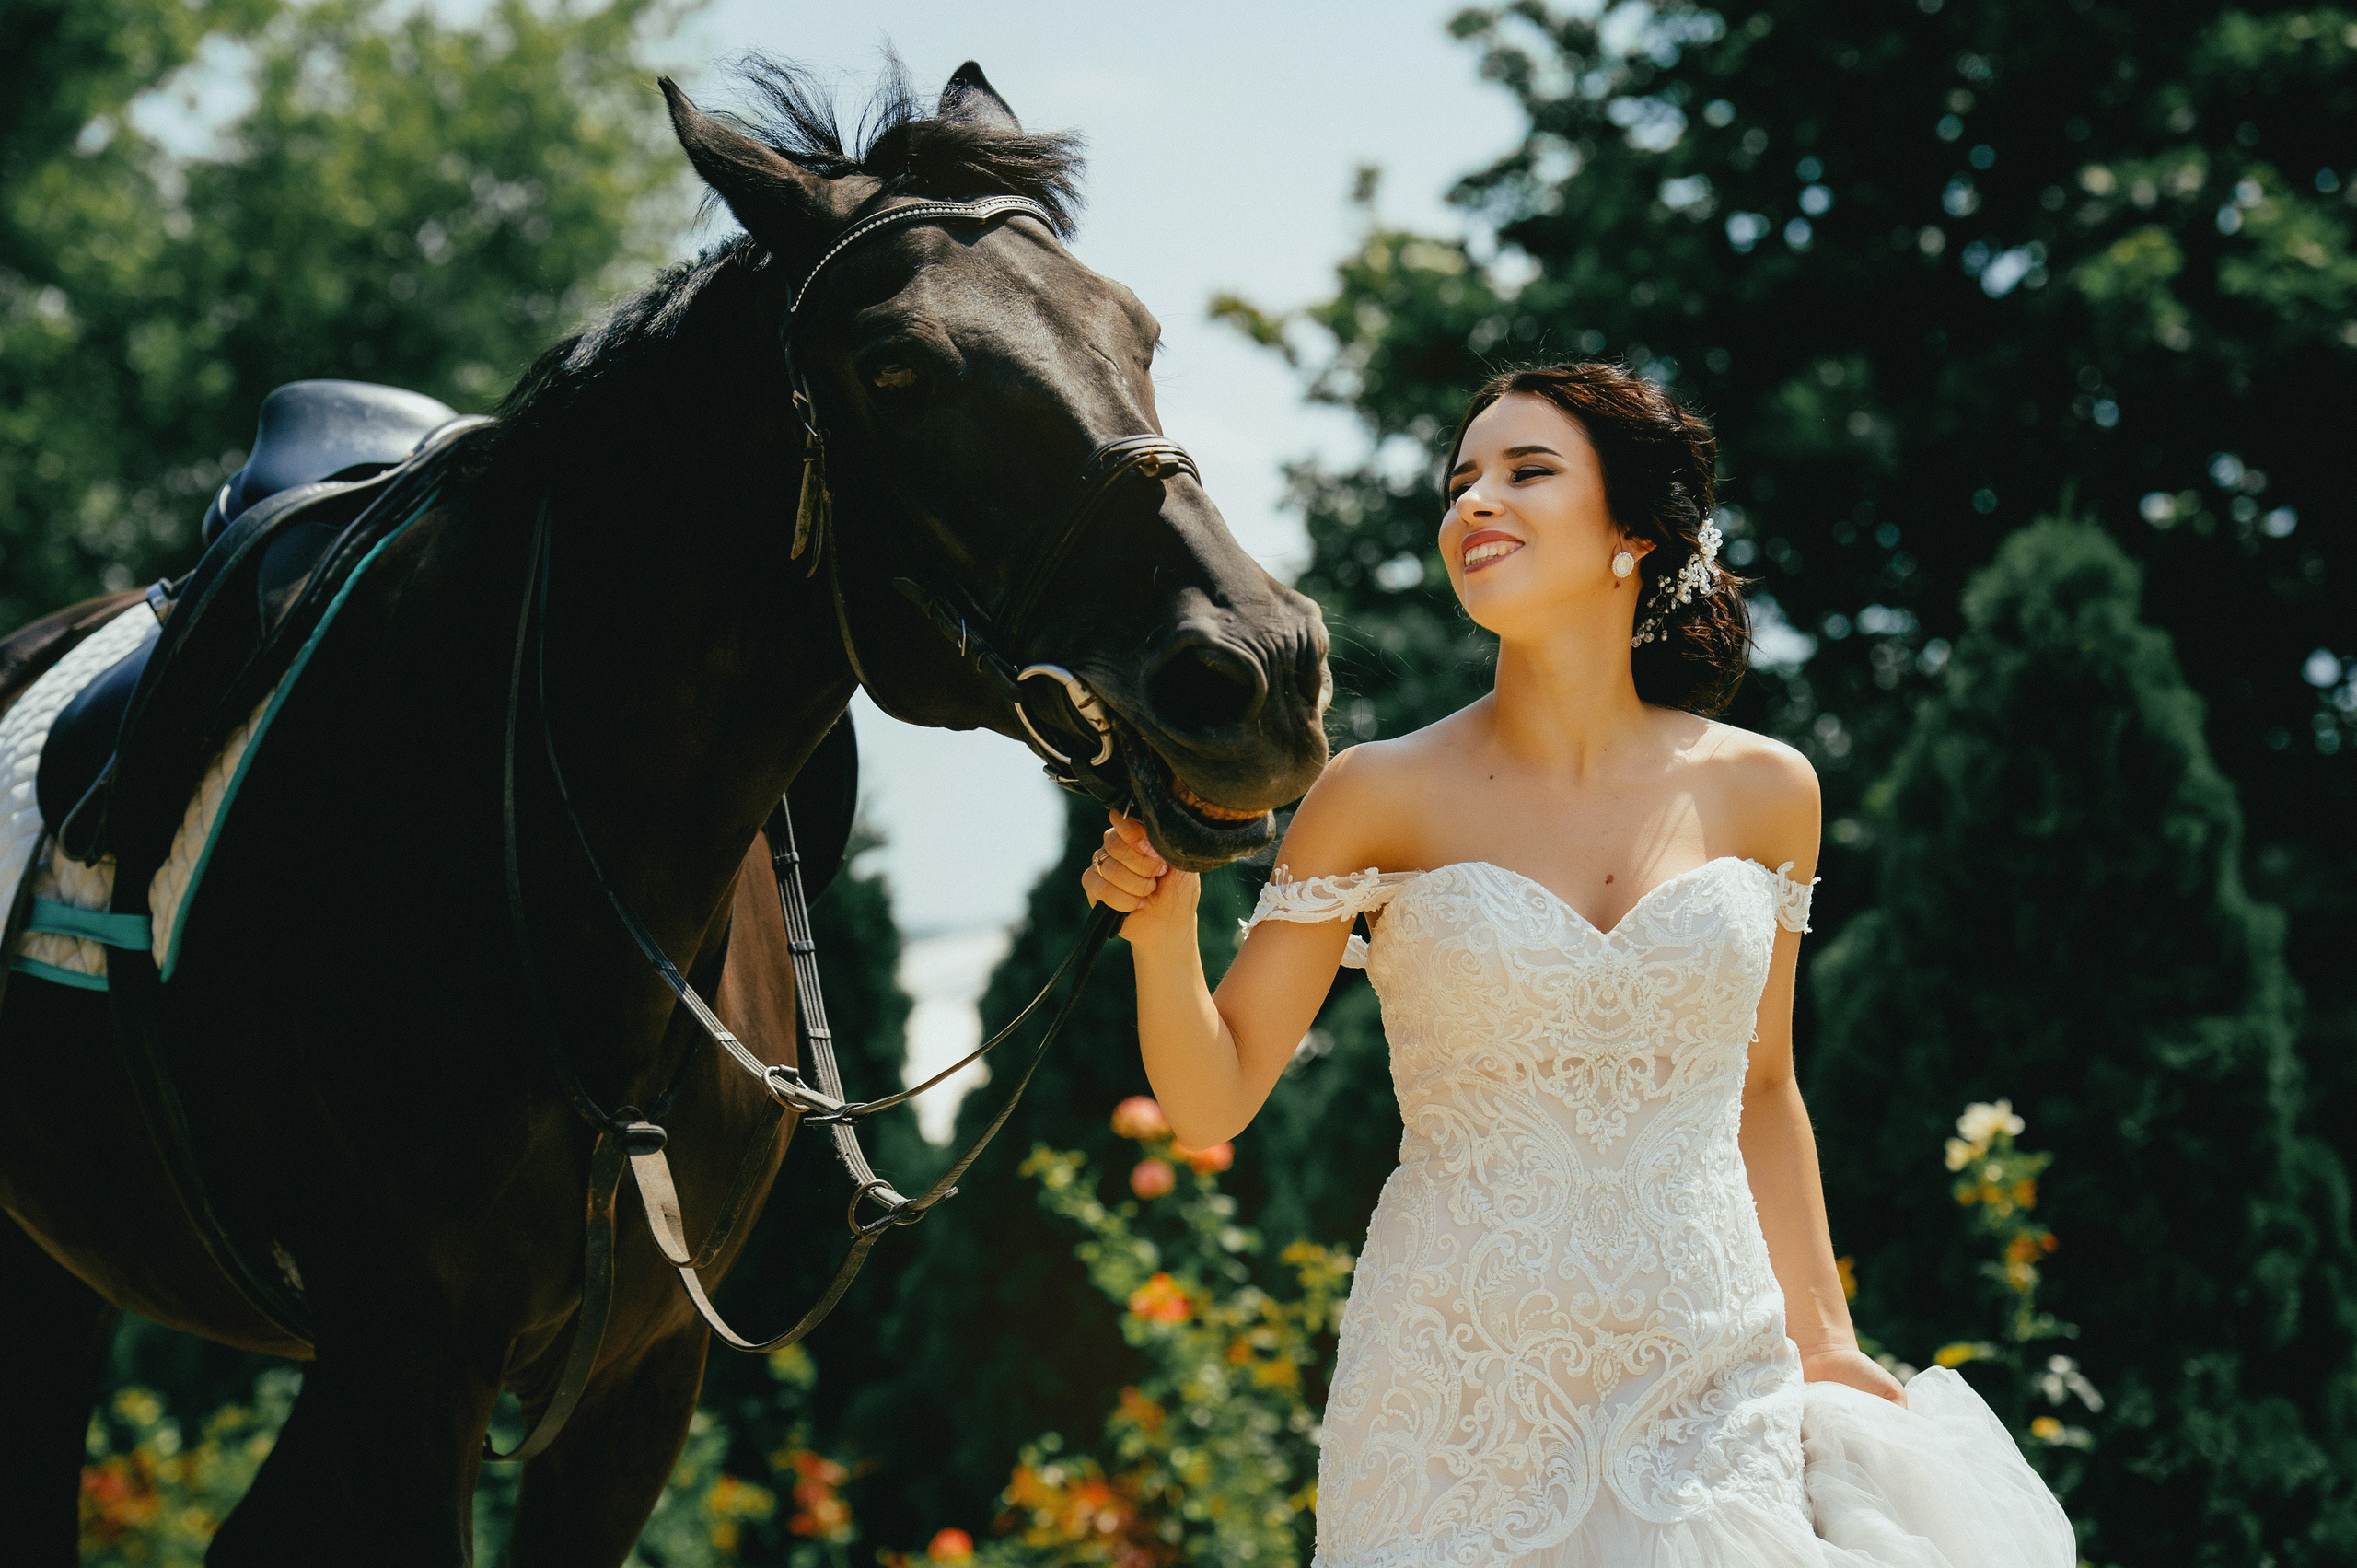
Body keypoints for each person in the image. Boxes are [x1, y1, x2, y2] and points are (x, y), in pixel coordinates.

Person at [1081, 362, 2075, 1566]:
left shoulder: (1769, 793)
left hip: (1713, 1373)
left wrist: (1825, 1339)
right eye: (1460, 482)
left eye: (1526, 472)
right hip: (1452, 1399)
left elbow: (1762, 1088)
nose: (1473, 503)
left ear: (1635, 537)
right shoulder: (1373, 794)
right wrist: (1163, 924)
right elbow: (1210, 1096)